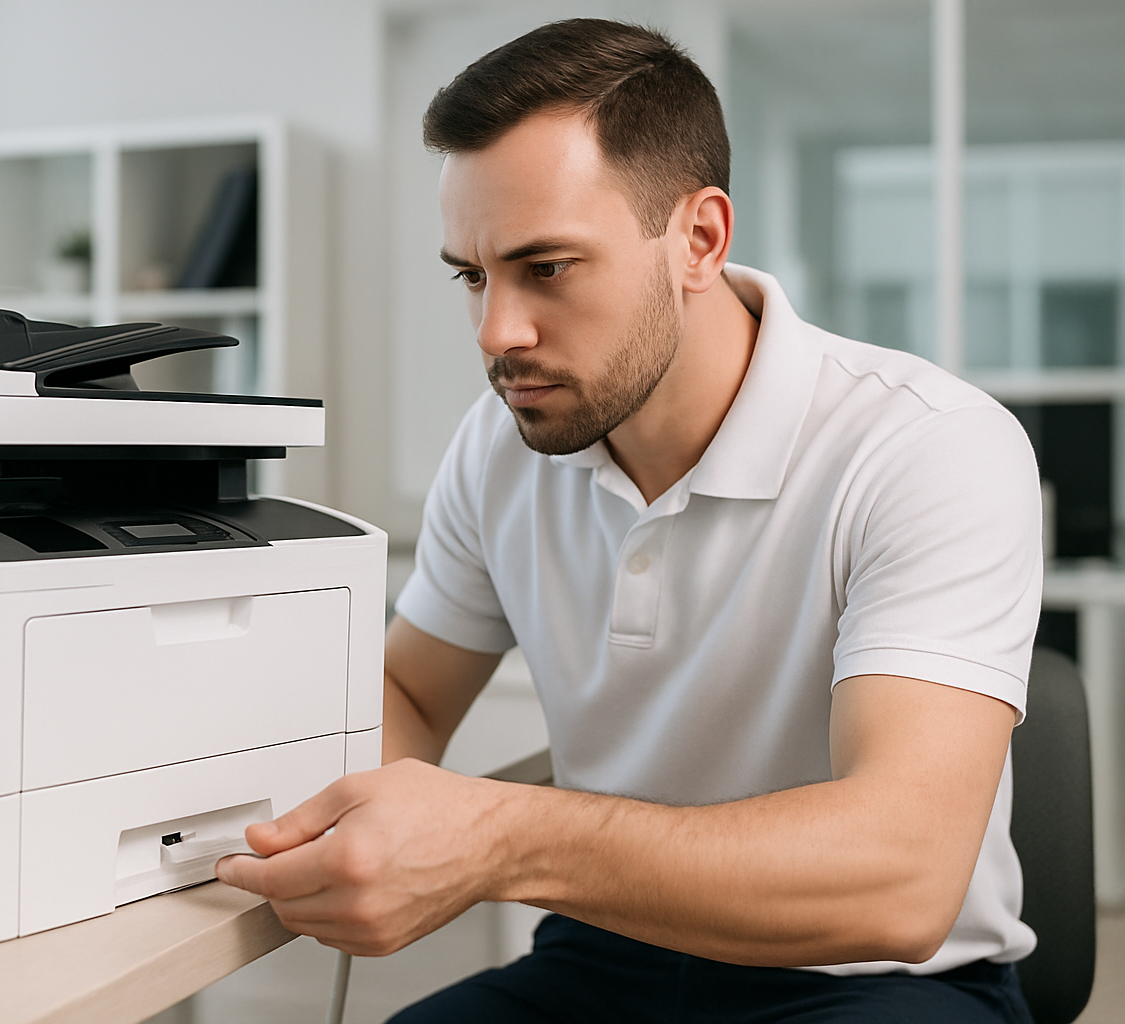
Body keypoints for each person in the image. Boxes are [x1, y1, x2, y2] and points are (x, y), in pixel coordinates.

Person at [217, 18, 1041, 1023]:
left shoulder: (928, 446)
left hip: (870, 980)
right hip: (604, 958)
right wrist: (300, 823)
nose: (497, 334)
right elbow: (410, 692)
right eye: (472, 276)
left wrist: (499, 836)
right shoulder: (499, 444)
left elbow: (903, 879)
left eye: (547, 268)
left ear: (698, 239)